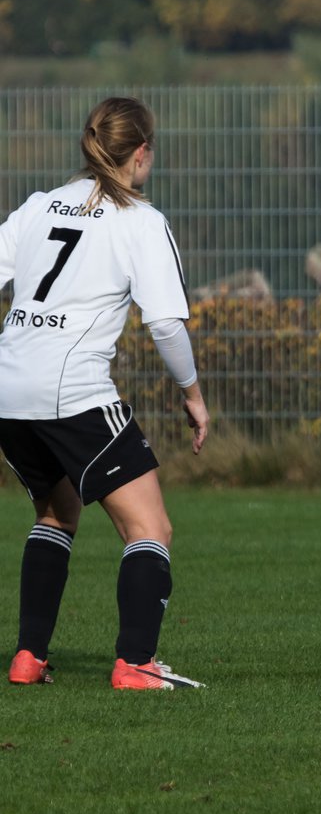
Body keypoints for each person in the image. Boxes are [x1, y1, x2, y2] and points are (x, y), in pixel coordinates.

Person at [0, 96, 209, 690]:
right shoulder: (140, 220)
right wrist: (193, 395)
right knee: (150, 529)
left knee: (56, 511)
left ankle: (28, 658)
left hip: (8, 388)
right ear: (141, 154)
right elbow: (166, 323)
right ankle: (135, 664)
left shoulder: (42, 205)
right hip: (72, 391)